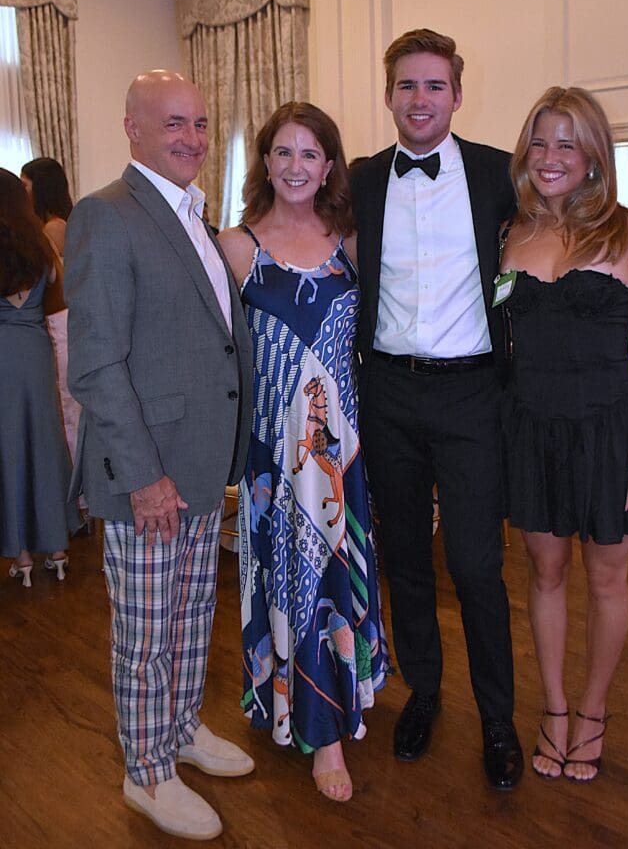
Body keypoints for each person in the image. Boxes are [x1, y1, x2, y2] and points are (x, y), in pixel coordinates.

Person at [64, 70, 254, 841]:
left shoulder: (195, 217)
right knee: (144, 634)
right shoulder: (105, 216)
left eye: (202, 124)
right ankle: (145, 770)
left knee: (190, 616)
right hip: (148, 475)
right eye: (174, 123)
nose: (193, 138)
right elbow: (96, 365)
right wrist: (144, 478)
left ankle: (177, 730)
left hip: (201, 465)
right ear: (132, 127)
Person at [350, 28, 523, 789]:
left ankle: (498, 718)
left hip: (471, 390)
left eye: (433, 86)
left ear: (456, 93)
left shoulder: (496, 174)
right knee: (405, 558)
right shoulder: (356, 179)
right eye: (405, 86)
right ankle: (423, 689)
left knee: (476, 563)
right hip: (384, 388)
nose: (419, 100)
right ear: (388, 95)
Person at [500, 86, 628, 782]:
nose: (549, 157)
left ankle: (593, 711)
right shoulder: (511, 233)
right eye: (539, 141)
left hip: (609, 430)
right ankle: (551, 708)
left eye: (566, 143)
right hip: (530, 428)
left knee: (606, 581)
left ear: (594, 155)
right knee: (543, 575)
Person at [218, 102, 388, 803]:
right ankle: (285, 703)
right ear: (264, 162)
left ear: (328, 166)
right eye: (282, 153)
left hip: (340, 451)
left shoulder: (349, 240)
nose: (295, 167)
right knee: (283, 579)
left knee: (325, 582)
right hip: (272, 452)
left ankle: (324, 733)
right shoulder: (233, 246)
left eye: (309, 154)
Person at [0, 169, 76, 586]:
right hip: (35, 351)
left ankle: (23, 554)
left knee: (8, 448)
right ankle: (58, 548)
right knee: (45, 445)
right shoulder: (42, 245)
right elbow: (57, 297)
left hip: (2, 354)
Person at [21, 157, 83, 513]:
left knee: (68, 410)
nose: (23, 191)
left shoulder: (55, 227)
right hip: (59, 321)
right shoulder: (51, 224)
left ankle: (75, 499)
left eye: (27, 184)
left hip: (62, 322)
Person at [21, 157, 74, 257]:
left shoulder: (55, 227)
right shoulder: (45, 224)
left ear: (41, 187)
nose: (21, 191)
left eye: (24, 185)